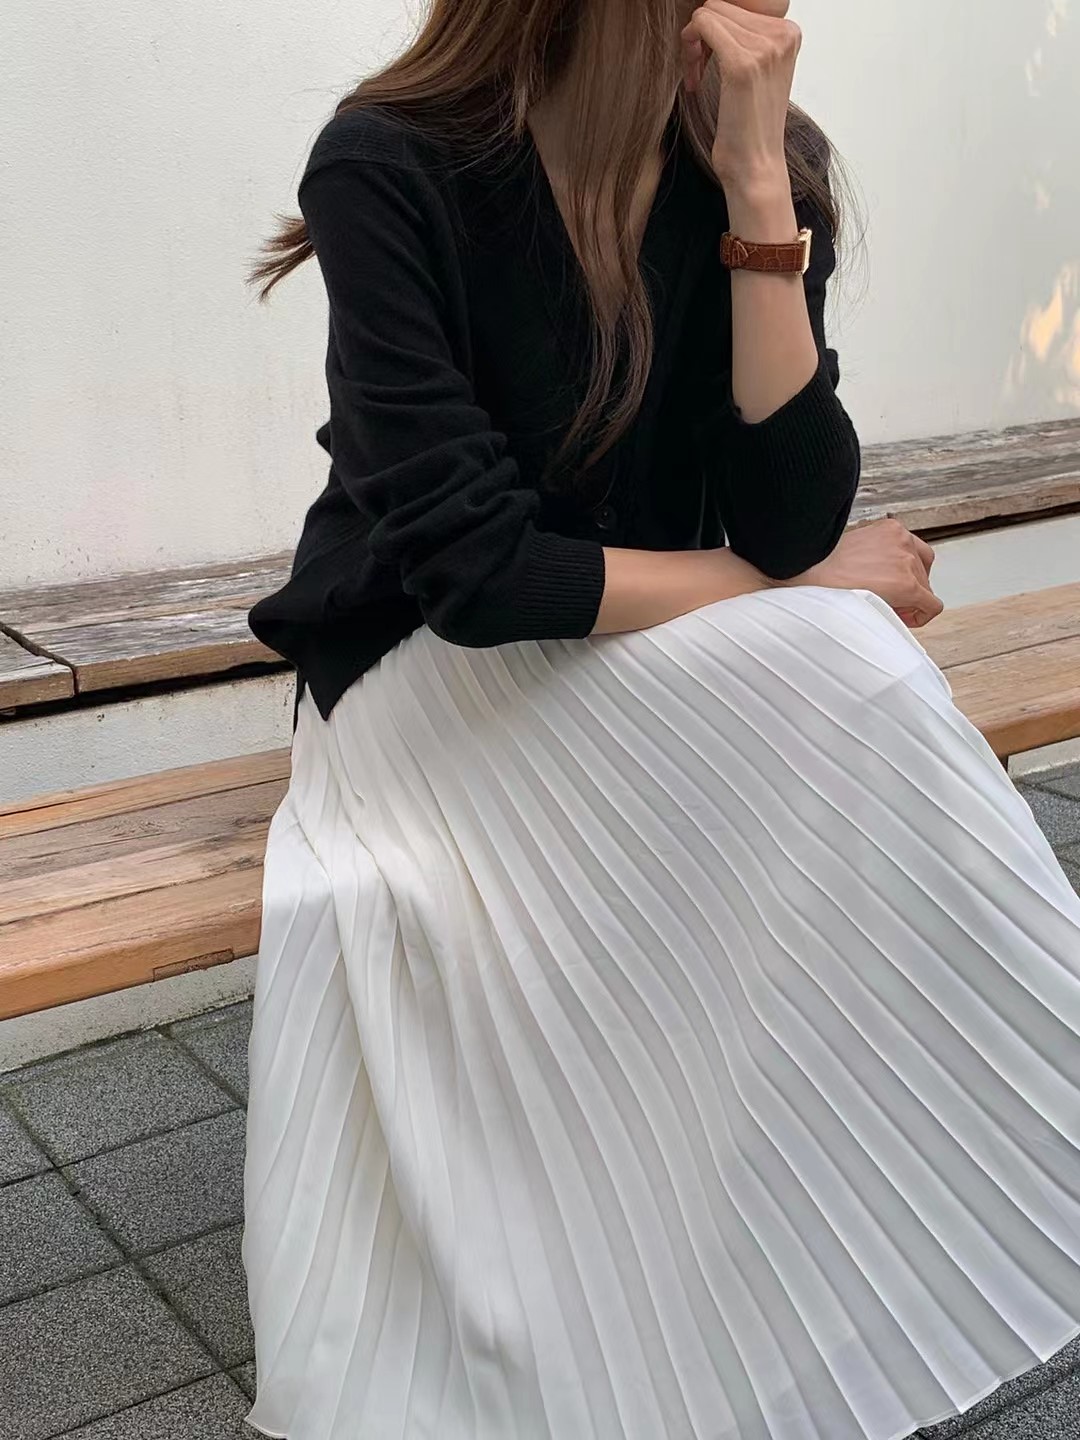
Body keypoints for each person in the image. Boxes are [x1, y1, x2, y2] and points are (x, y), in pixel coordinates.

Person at [240, 0, 1080, 1435]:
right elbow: (480, 577)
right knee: (840, 645)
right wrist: (797, 581)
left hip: (638, 648)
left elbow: (790, 508)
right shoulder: (389, 162)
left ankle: (900, 1188)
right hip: (420, 678)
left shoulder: (756, 162)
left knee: (851, 668)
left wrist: (758, 191)